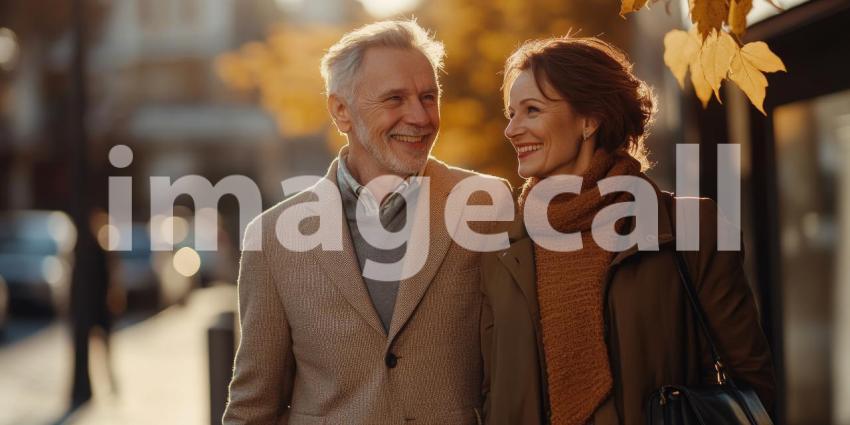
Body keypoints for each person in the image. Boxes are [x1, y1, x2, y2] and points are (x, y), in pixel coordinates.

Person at [223, 20, 508, 424]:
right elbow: (253, 406)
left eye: (429, 97)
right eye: (394, 99)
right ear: (341, 111)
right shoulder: (273, 239)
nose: (420, 116)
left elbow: (517, 371)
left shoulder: (487, 207)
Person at [479, 36, 776, 425]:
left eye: (531, 110)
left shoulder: (689, 228)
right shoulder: (502, 247)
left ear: (589, 119)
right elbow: (488, 387)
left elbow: (749, 381)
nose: (511, 130)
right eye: (510, 113)